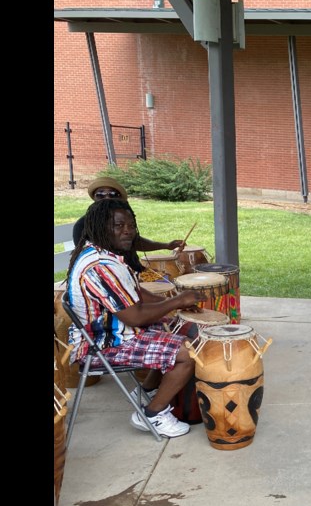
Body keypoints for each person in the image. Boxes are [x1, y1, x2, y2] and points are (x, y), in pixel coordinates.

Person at [64, 197, 207, 438]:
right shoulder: (100, 265)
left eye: (130, 224)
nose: (127, 231)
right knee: (189, 352)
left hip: (110, 331)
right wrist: (178, 301)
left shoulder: (104, 254)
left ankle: (147, 391)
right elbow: (134, 316)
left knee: (181, 328)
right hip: (102, 345)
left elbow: (135, 293)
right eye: (118, 226)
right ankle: (152, 413)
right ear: (100, 227)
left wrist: (170, 306)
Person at [73, 177, 186, 274]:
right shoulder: (83, 226)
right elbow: (93, 265)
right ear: (94, 198)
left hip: (134, 272)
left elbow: (135, 241)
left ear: (120, 199)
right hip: (111, 277)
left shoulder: (124, 217)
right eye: (100, 194)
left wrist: (166, 245)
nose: (107, 198)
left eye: (113, 194)